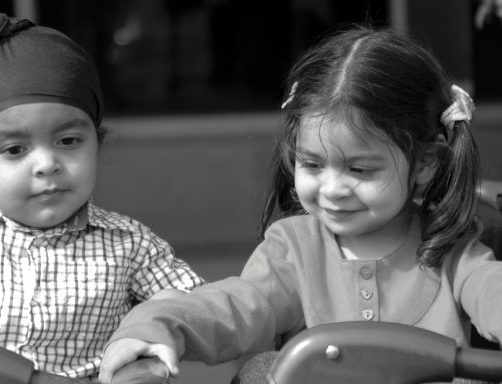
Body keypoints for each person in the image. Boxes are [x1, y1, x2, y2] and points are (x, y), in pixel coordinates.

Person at [98, 24, 502, 383]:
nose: (332, 188)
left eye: (360, 171)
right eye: (312, 164)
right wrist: (155, 325)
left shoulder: (450, 247)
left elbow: (491, 290)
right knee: (262, 371)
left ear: (426, 163)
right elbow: (236, 306)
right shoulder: (294, 248)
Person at [0, 11, 204, 379]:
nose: (47, 164)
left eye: (69, 141)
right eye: (14, 149)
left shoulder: (129, 244)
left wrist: (156, 325)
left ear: (97, 145)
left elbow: (197, 307)